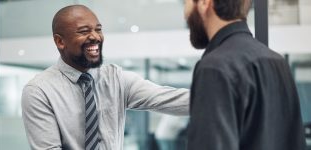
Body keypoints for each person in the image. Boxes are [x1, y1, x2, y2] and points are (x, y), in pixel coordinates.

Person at [21, 5, 189, 150]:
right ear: (60, 42)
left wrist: (212, 92)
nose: (95, 36)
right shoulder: (39, 91)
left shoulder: (116, 79)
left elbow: (170, 99)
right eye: (84, 31)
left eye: (98, 29)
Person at [184, 0, 307, 149]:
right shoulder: (278, 63)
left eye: (187, 2)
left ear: (204, 3)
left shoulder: (214, 68)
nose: (185, 14)